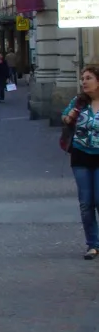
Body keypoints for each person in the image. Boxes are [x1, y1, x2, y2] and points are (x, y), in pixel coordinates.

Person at [62, 65, 99, 259]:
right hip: (81, 156)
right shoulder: (79, 102)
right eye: (82, 78)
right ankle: (92, 244)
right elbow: (65, 117)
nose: (84, 81)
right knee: (86, 203)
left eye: (89, 78)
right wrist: (70, 116)